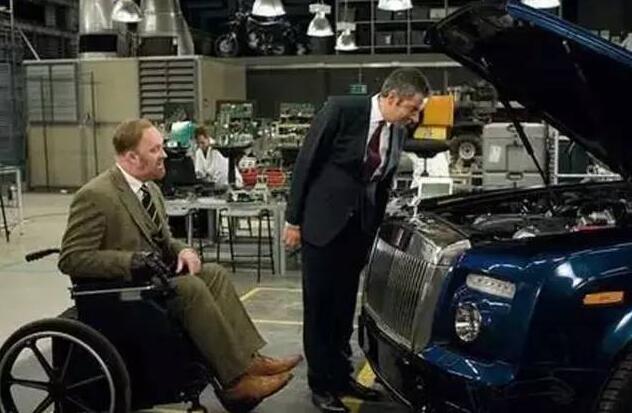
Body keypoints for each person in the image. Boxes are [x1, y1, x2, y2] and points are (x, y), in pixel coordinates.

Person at [58, 118, 301, 407]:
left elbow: (165, 240)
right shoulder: (96, 195)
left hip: (151, 283)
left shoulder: (150, 190)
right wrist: (131, 260)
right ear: (131, 157)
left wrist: (184, 250)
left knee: (214, 274)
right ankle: (235, 382)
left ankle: (249, 361)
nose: (164, 154)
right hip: (121, 292)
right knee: (190, 288)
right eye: (155, 149)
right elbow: (72, 258)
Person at [284, 68, 431, 413]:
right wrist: (293, 220)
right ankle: (321, 385)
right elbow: (306, 162)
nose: (415, 118)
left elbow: (382, 182)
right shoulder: (342, 110)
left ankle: (341, 376)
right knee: (320, 309)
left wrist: (378, 228)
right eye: (412, 108)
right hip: (322, 225)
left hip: (357, 232)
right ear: (392, 97)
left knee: (343, 308)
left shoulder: (396, 130)